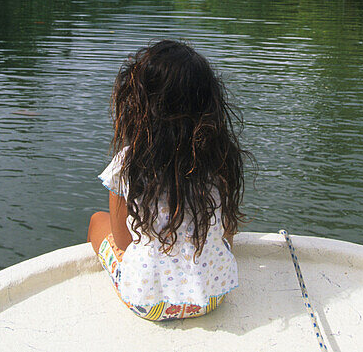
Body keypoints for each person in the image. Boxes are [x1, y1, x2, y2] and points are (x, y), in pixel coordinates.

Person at [87, 39, 246, 321]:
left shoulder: (128, 163)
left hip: (148, 304)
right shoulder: (221, 159)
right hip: (213, 297)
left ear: (139, 108)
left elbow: (123, 245)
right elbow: (227, 231)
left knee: (97, 222)